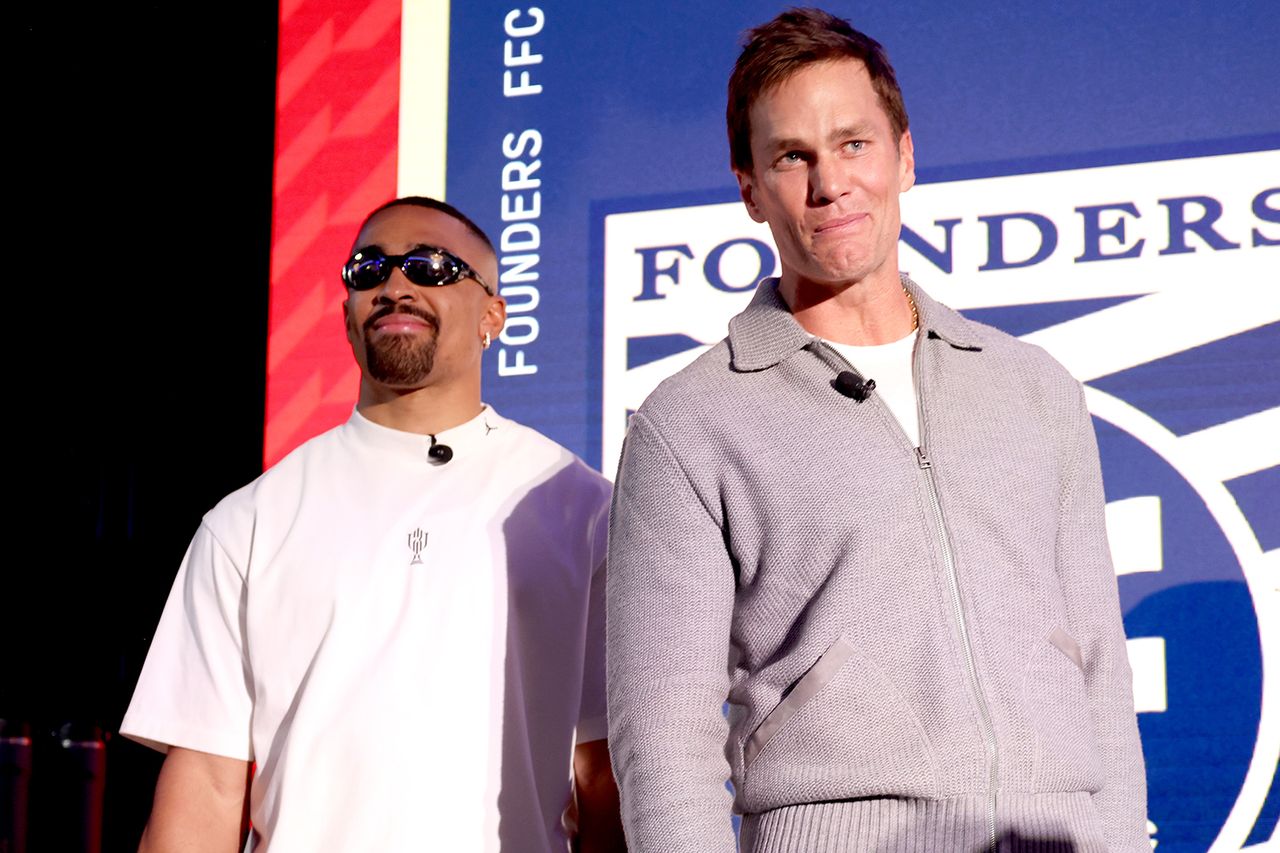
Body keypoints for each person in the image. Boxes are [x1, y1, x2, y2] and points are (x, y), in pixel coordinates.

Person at [606, 9, 1149, 852]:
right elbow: (664, 736)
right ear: (750, 187)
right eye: (793, 156)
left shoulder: (1036, 389)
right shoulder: (688, 424)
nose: (831, 183)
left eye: (854, 143)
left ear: (904, 155)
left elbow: (1101, 674)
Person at [122, 197, 624, 852]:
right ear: (347, 315)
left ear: (492, 316)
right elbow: (208, 782)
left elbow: (605, 769)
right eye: (368, 270)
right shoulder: (246, 522)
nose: (395, 286)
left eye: (431, 267)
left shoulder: (582, 510)